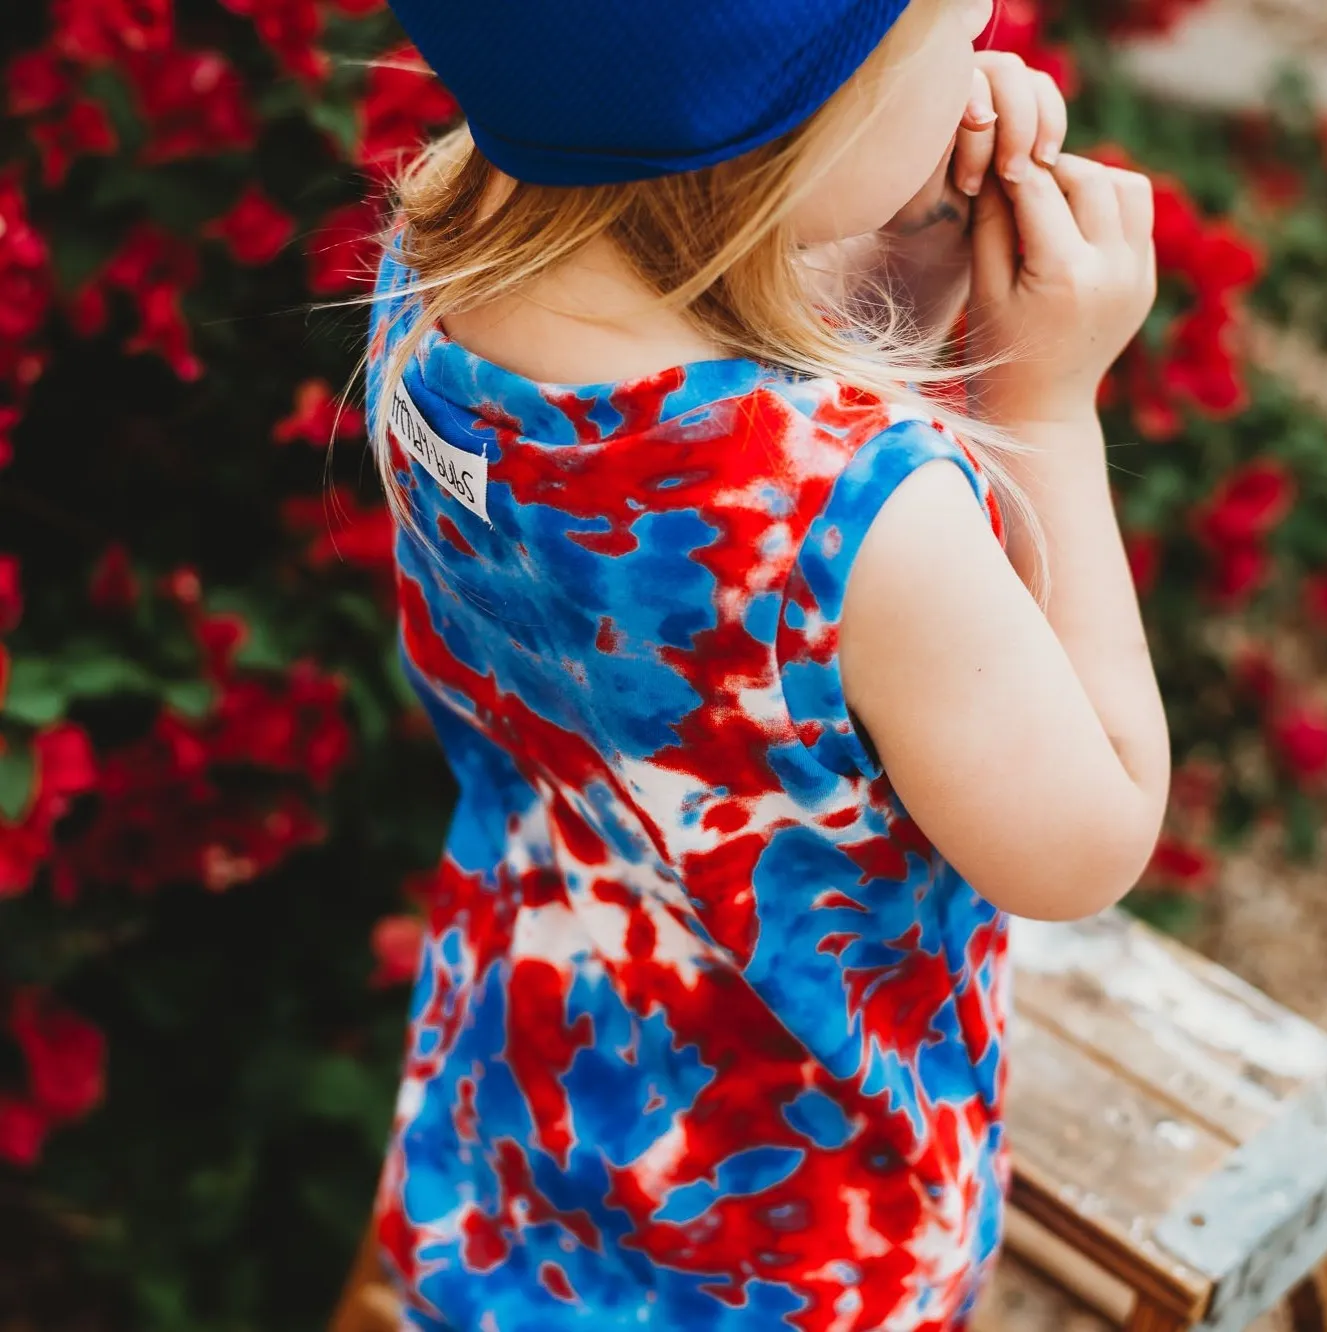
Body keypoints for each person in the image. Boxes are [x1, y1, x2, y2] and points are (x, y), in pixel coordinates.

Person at [362, 0, 1172, 1327]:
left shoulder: (433, 275)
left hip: (521, 1114)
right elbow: (1082, 844)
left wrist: (891, 295)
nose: (984, 61)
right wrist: (1045, 405)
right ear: (796, 126)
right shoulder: (861, 511)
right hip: (796, 1240)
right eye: (952, 36)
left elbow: (691, 555)